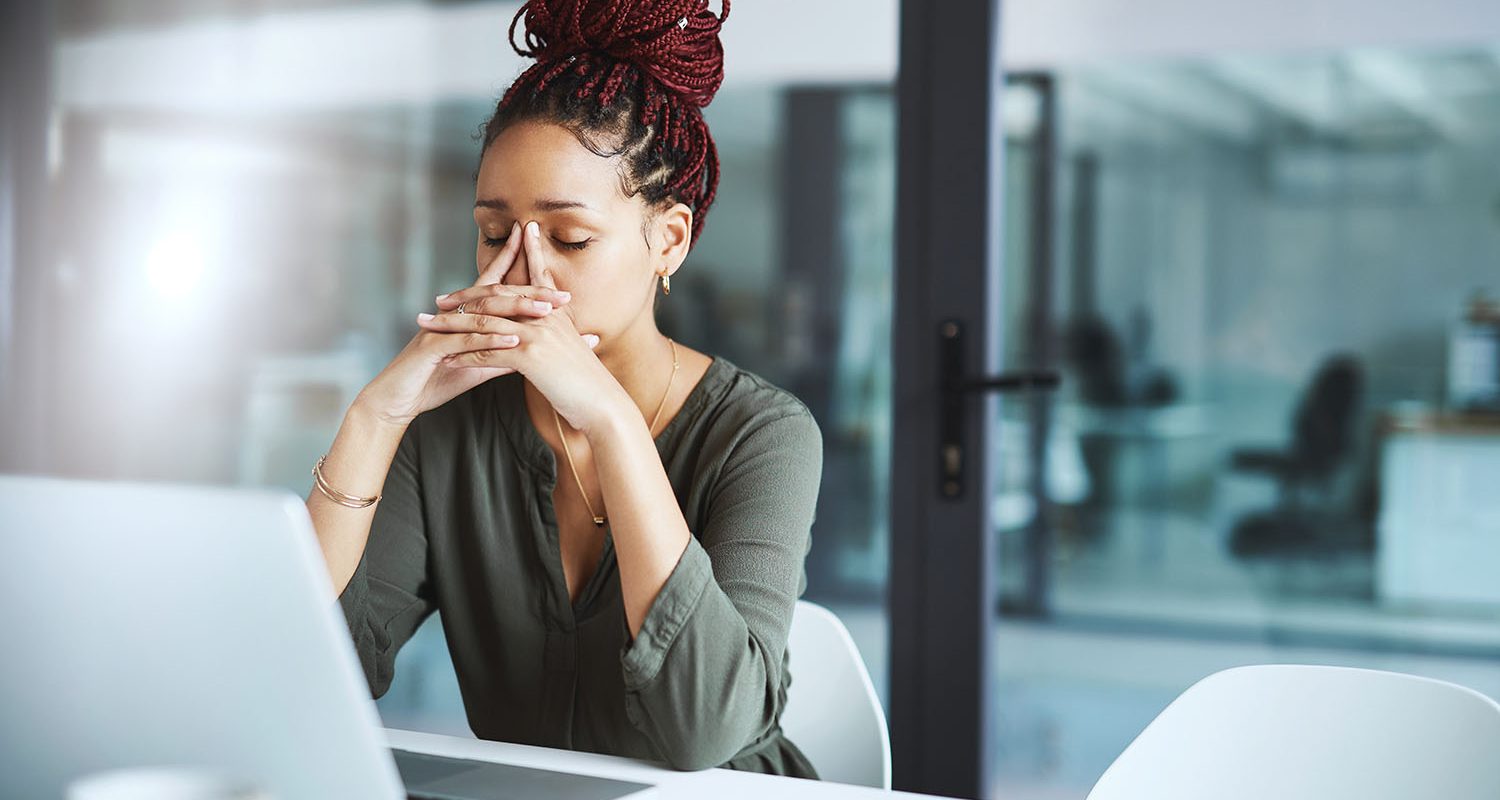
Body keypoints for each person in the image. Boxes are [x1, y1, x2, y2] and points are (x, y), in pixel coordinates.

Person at [304, 0, 823, 778]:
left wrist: (611, 420)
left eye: (571, 238)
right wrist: (376, 418)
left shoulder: (764, 434)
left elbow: (702, 734)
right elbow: (316, 671)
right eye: (492, 233)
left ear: (668, 240)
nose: (522, 271)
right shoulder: (448, 428)